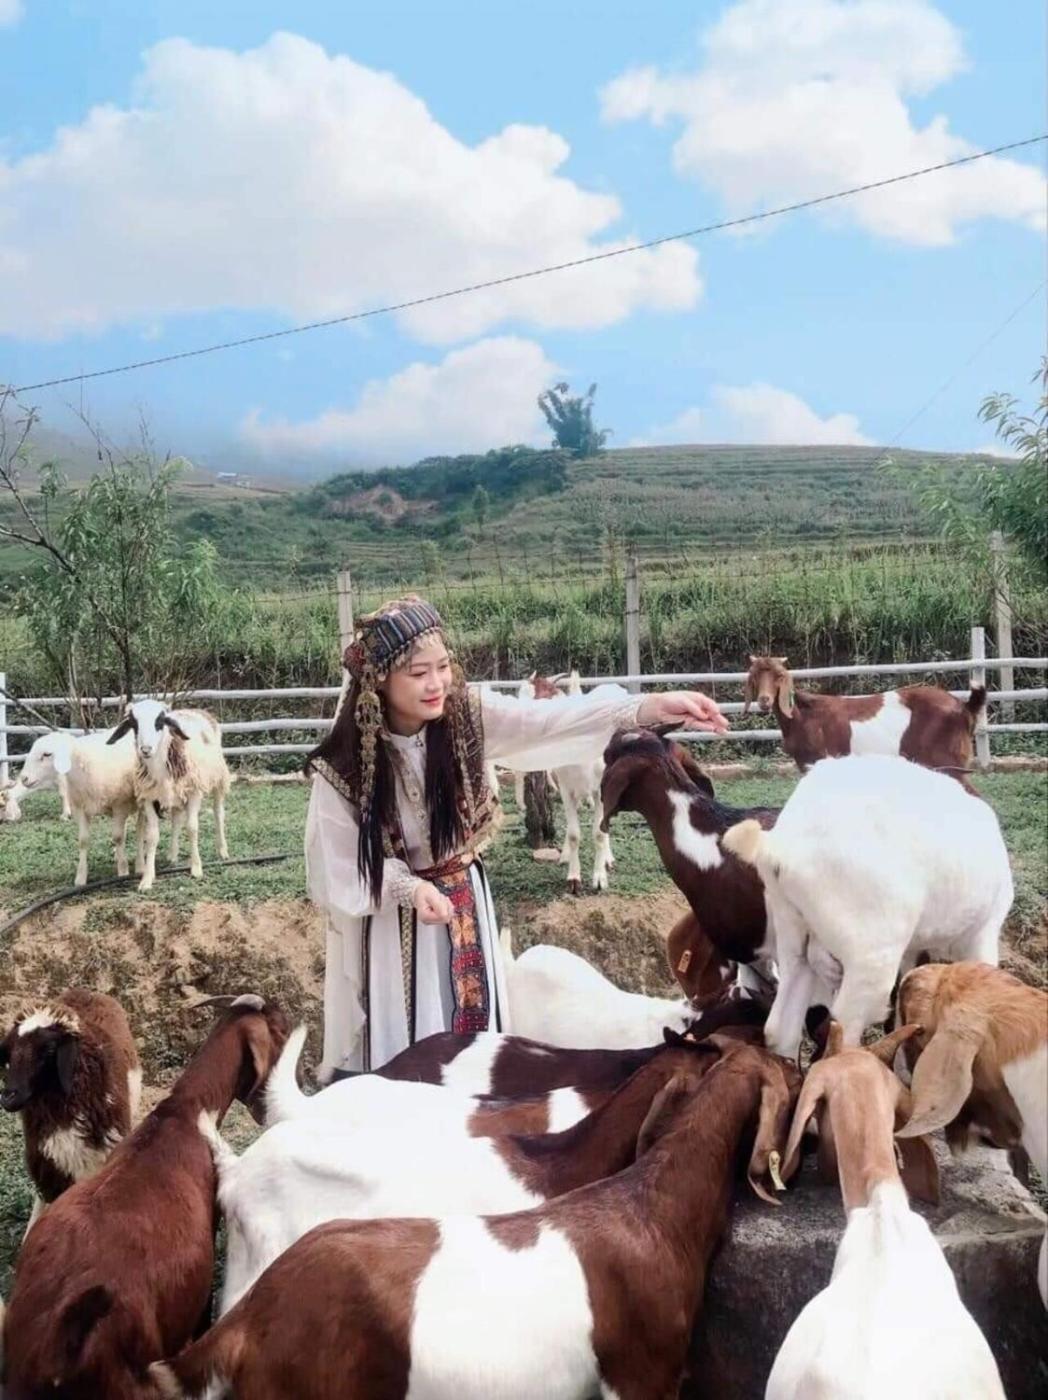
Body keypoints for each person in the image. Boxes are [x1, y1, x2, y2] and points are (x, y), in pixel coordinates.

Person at [305, 596, 728, 1078]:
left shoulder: (466, 716)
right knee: (408, 1052)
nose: (436, 683)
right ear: (379, 680)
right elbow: (339, 864)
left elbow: (546, 720)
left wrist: (646, 707)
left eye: (443, 667)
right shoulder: (342, 767)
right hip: (393, 925)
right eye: (419, 673)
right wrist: (410, 888)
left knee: (476, 1054)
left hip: (465, 905)